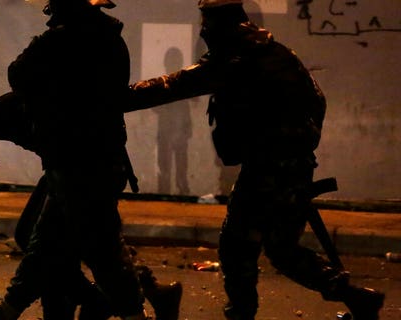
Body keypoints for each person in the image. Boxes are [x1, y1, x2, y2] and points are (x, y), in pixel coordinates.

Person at [126, 0, 385, 319]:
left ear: (218, 25)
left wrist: (112, 99)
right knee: (283, 250)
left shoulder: (236, 60)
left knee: (235, 248)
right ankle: (357, 297)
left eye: (206, 24)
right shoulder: (278, 53)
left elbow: (172, 86)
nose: (203, 32)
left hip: (266, 172)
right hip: (296, 167)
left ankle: (241, 312)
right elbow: (317, 101)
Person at [0, 83, 183, 320]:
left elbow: (74, 135)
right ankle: (128, 295)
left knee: (61, 248)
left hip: (85, 173)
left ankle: (93, 301)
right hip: (68, 170)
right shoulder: (3, 113)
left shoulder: (15, 113)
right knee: (46, 242)